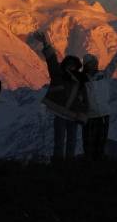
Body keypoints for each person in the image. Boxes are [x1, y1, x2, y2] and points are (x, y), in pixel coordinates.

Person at [33, 32, 88, 162]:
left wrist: (82, 115)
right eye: (69, 64)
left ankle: (66, 162)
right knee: (61, 140)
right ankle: (60, 162)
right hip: (63, 114)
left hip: (71, 115)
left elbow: (83, 99)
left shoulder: (81, 80)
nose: (71, 66)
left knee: (69, 140)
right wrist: (46, 44)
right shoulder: (60, 75)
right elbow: (51, 60)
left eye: (73, 65)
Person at [81, 37, 117, 161]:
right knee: (89, 143)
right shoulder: (81, 80)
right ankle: (90, 163)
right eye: (92, 63)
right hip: (89, 116)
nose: (95, 64)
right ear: (87, 65)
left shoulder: (103, 75)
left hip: (103, 114)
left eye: (95, 62)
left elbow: (114, 64)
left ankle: (99, 163)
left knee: (101, 142)